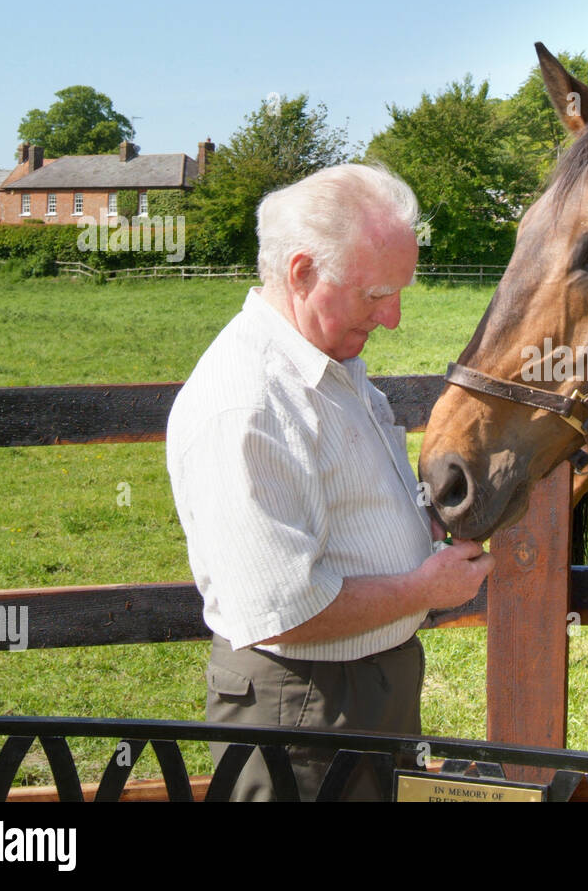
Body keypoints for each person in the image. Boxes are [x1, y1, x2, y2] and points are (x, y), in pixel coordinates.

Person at [166, 163, 493, 800]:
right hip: (305, 705)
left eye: (400, 292)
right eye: (376, 295)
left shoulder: (324, 365)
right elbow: (283, 608)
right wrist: (424, 587)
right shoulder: (250, 405)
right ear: (301, 273)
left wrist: (418, 515)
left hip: (352, 688)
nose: (393, 317)